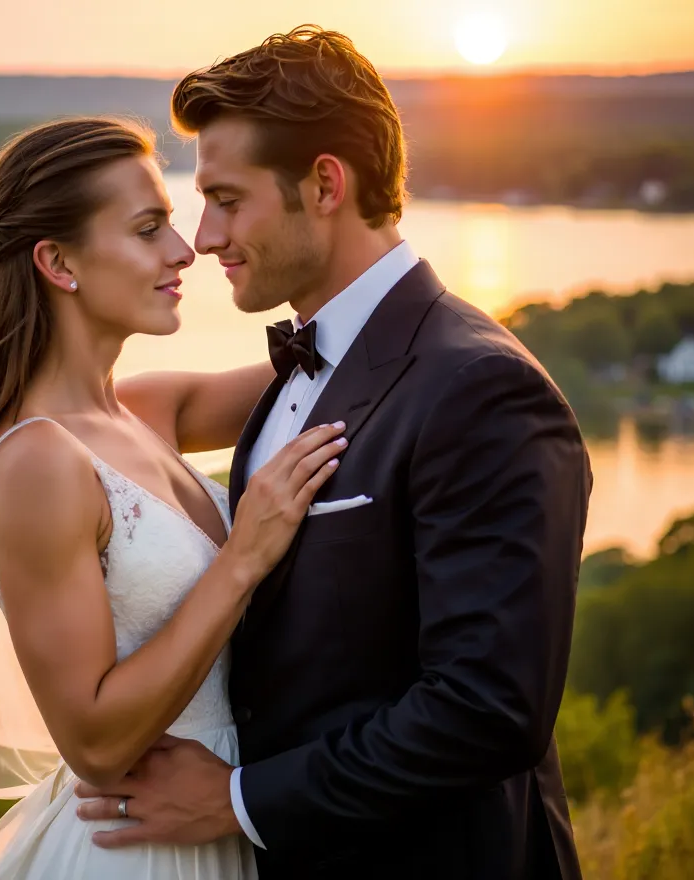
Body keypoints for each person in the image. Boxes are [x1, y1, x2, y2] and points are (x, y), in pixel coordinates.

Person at [74, 26, 592, 880]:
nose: (205, 238)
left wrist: (237, 800)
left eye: (228, 199)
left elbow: (489, 709)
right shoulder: (299, 368)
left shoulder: (482, 389)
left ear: (323, 185)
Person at [0, 115, 347, 879]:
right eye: (149, 229)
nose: (185, 251)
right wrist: (242, 558)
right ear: (57, 261)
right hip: (139, 851)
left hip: (227, 813)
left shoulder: (148, 411)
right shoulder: (36, 463)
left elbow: (338, 360)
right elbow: (92, 740)